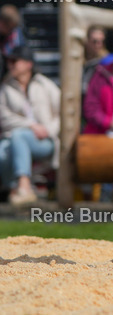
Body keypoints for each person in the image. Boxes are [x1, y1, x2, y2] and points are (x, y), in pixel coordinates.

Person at [0, 47, 60, 206]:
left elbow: (63, 113)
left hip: (44, 140)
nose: (10, 65)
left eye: (14, 61)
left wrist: (49, 130)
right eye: (8, 61)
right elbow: (4, 117)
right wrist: (31, 125)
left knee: (18, 136)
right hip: (14, 138)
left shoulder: (45, 84)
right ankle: (16, 189)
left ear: (28, 64)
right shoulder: (6, 87)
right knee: (2, 152)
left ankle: (24, 187)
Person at [82, 24, 112, 92]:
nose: (99, 45)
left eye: (102, 41)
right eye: (95, 41)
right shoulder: (78, 60)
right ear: (87, 41)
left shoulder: (108, 61)